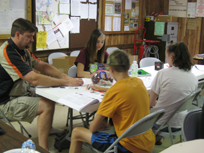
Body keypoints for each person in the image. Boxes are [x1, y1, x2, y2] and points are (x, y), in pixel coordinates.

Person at [0, 18, 83, 151]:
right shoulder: (7, 51)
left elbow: (42, 65)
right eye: (29, 37)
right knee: (46, 106)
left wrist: (64, 76)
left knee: (51, 95)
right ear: (17, 35)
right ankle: (43, 148)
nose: (32, 40)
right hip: (6, 102)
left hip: (20, 92)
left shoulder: (22, 50)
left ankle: (48, 128)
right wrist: (67, 82)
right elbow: (34, 79)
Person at [69, 49, 155, 153]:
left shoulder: (114, 91)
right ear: (128, 67)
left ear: (110, 69)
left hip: (127, 147)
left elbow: (93, 128)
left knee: (77, 132)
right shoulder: (139, 82)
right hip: (147, 141)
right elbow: (123, 91)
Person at [149, 42, 198, 144]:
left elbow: (150, 103)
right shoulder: (193, 78)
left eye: (166, 56)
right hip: (182, 121)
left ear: (171, 57)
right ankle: (158, 138)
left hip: (161, 123)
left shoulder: (163, 74)